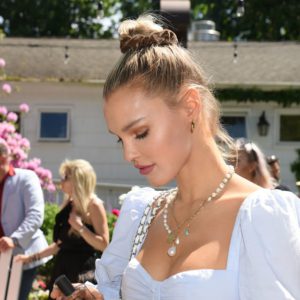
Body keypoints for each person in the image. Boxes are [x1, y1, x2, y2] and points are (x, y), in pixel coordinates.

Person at [51, 14, 300, 299]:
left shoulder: (262, 219)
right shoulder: (141, 214)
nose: (128, 154)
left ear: (190, 107)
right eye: (120, 138)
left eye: (141, 132)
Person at [16, 159, 109, 297]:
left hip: (83, 273)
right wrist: (29, 258)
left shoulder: (94, 205)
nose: (61, 181)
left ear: (78, 179)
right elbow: (58, 245)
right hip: (62, 270)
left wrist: (80, 227)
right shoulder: (69, 204)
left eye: (65, 177)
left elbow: (104, 245)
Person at [0, 138, 49, 300]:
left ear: (4, 158)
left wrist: (14, 239)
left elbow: (35, 215)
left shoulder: (26, 178)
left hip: (23, 255)